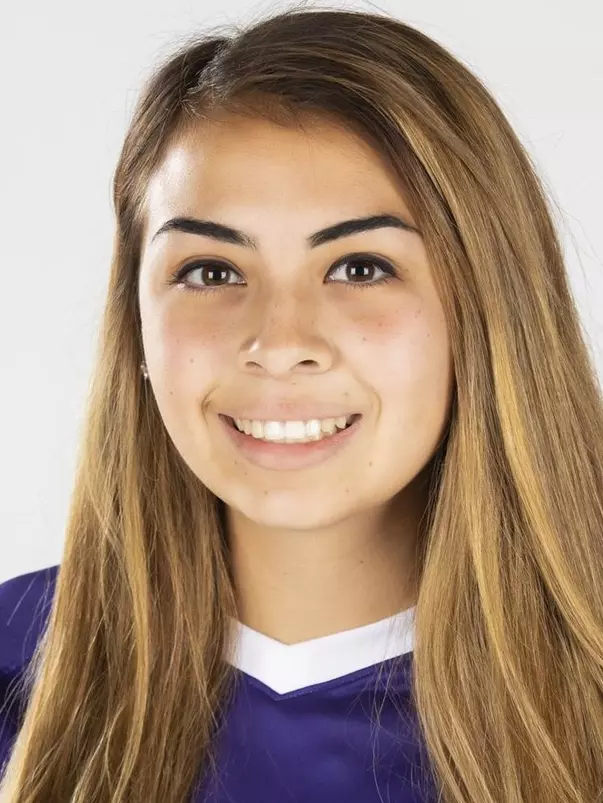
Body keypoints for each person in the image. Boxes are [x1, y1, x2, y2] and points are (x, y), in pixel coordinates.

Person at [1, 5, 602, 802]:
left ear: (486, 312)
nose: (280, 341)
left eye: (359, 267)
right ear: (135, 329)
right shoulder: (16, 665)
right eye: (212, 272)